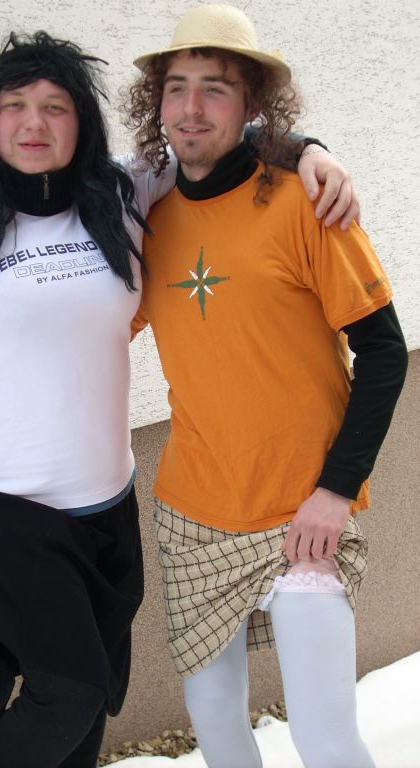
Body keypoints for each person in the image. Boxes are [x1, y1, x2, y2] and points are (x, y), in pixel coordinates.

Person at [0, 28, 360, 768]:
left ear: (82, 121)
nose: (34, 123)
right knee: (67, 694)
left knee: (96, 697)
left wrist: (309, 150)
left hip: (108, 508)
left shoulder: (118, 192)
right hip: (4, 511)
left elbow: (210, 136)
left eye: (56, 106)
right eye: (14, 105)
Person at [126, 5, 408, 768]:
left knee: (325, 736)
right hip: (193, 512)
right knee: (215, 720)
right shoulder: (148, 221)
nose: (191, 108)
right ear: (157, 100)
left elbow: (384, 352)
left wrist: (336, 490)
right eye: (177, 87)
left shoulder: (306, 200)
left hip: (302, 511)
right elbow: (90, 327)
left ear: (252, 104)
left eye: (215, 88)